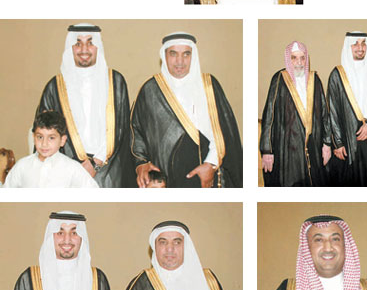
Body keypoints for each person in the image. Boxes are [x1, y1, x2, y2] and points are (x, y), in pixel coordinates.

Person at [131, 32, 243, 188]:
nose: (180, 61)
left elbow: (225, 131)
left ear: (193, 56)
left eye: (186, 54)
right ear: (164, 55)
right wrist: (141, 163)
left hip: (207, 176)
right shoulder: (150, 90)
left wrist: (211, 164)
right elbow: (136, 130)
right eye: (173, 54)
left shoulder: (209, 86)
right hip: (166, 178)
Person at [36, 23, 135, 187]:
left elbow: (121, 128)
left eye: (90, 43)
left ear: (98, 47)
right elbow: (44, 132)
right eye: (78, 43)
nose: (84, 49)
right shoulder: (55, 87)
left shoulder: (115, 81)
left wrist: (96, 162)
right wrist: (74, 168)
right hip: (66, 171)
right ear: (70, 47)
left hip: (109, 170)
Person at [260, 41, 332, 186]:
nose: (299, 62)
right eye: (294, 58)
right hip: (287, 148)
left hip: (313, 145)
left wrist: (327, 143)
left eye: (302, 58)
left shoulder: (314, 80)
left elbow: (324, 114)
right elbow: (269, 117)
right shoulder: (279, 79)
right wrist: (267, 150)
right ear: (288, 59)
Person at [327, 32, 367, 186]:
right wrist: (338, 142)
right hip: (349, 137)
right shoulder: (338, 74)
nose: (360, 48)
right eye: (355, 44)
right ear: (348, 47)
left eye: (363, 43)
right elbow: (333, 111)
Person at [4, 111, 98, 188]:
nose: (44, 144)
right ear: (33, 137)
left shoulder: (73, 169)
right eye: (40, 137)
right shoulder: (22, 166)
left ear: (62, 140)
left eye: (51, 138)